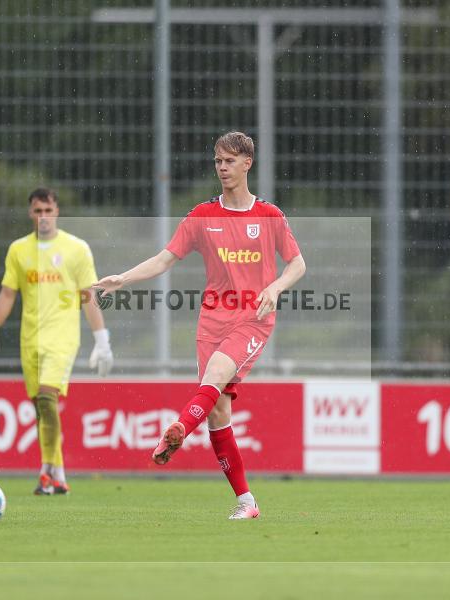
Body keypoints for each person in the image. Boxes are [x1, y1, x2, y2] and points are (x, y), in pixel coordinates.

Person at [95, 132, 305, 519]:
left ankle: (176, 429)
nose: (222, 168)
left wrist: (275, 287)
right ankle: (247, 503)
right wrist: (121, 279)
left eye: (229, 161)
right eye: (217, 161)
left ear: (247, 164)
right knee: (217, 411)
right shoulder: (202, 215)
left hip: (253, 319)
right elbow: (163, 259)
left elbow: (297, 263)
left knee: (217, 375)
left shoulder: (270, 216)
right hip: (211, 320)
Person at [0, 187, 113, 495]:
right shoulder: (18, 251)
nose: (43, 217)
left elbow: (87, 296)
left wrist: (101, 339)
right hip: (30, 339)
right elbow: (8, 293)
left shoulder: (76, 249)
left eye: (48, 211)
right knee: (41, 409)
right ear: (31, 214)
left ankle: (45, 471)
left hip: (63, 337)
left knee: (47, 398)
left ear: (57, 211)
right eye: (37, 211)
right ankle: (59, 474)